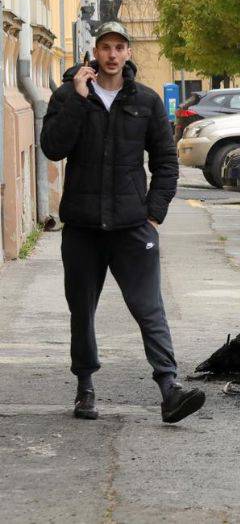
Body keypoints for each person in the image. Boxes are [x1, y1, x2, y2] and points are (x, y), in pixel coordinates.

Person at [39, 21, 205, 424]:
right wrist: (78, 99)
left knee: (150, 308)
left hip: (133, 226)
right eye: (105, 47)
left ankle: (169, 389)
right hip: (82, 227)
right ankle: (85, 388)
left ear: (129, 53)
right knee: (82, 310)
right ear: (94, 52)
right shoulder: (68, 95)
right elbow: (52, 147)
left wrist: (153, 215)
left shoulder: (145, 101)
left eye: (119, 47)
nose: (112, 55)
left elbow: (166, 163)